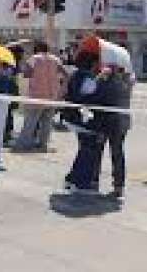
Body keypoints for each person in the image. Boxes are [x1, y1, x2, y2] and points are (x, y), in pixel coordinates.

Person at [14, 41, 66, 152]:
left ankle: (24, 144)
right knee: (47, 122)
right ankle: (43, 145)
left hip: (36, 95)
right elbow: (65, 73)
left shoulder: (34, 58)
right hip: (52, 96)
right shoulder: (56, 60)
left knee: (31, 121)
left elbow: (26, 74)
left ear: (37, 48)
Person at [91, 62, 133, 198]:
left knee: (100, 152)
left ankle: (95, 180)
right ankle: (118, 185)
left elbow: (95, 95)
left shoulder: (106, 81)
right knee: (116, 153)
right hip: (121, 123)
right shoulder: (126, 81)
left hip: (107, 122)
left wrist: (100, 77)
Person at [62, 51, 101, 193]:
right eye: (97, 62)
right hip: (83, 118)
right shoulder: (89, 78)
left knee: (84, 149)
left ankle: (72, 179)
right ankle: (81, 183)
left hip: (73, 116)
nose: (99, 65)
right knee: (88, 150)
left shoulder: (76, 74)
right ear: (92, 63)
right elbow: (89, 97)